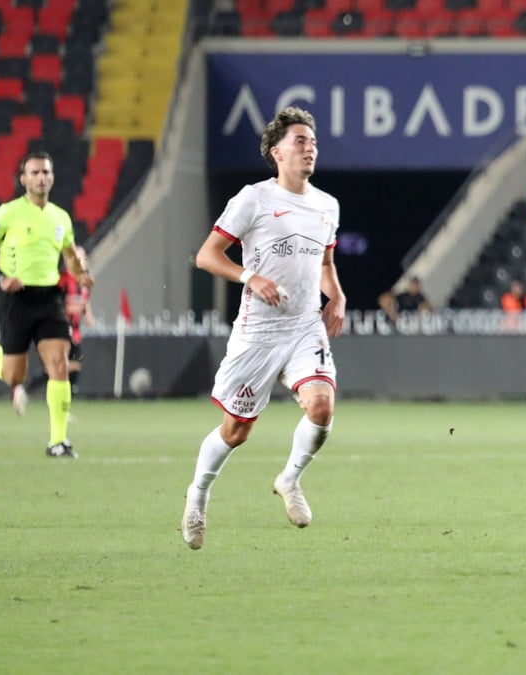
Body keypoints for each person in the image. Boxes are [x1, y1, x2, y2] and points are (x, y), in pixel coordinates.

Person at [180, 106, 347, 550]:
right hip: (258, 333)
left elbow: (326, 264)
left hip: (303, 327)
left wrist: (339, 295)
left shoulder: (326, 205)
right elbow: (206, 255)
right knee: (236, 431)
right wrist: (248, 277)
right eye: (300, 141)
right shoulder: (253, 199)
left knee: (322, 408)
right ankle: (197, 496)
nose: (309, 148)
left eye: (312, 142)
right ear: (277, 152)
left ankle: (289, 479)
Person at [0, 151, 93, 458]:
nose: (41, 177)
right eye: (34, 173)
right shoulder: (8, 213)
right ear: (24, 179)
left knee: (58, 364)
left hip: (50, 298)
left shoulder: (61, 217)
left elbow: (71, 257)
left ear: (52, 177)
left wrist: (81, 275)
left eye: (45, 172)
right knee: (14, 377)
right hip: (17, 299)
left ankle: (57, 442)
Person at [27, 245, 93, 396]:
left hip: (73, 332)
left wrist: (88, 314)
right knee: (57, 368)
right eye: (78, 258)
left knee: (73, 366)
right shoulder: (61, 280)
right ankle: (27, 389)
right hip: (57, 330)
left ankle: (65, 399)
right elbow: (52, 306)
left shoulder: (84, 282)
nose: (82, 262)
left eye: (83, 258)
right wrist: (70, 309)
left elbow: (85, 300)